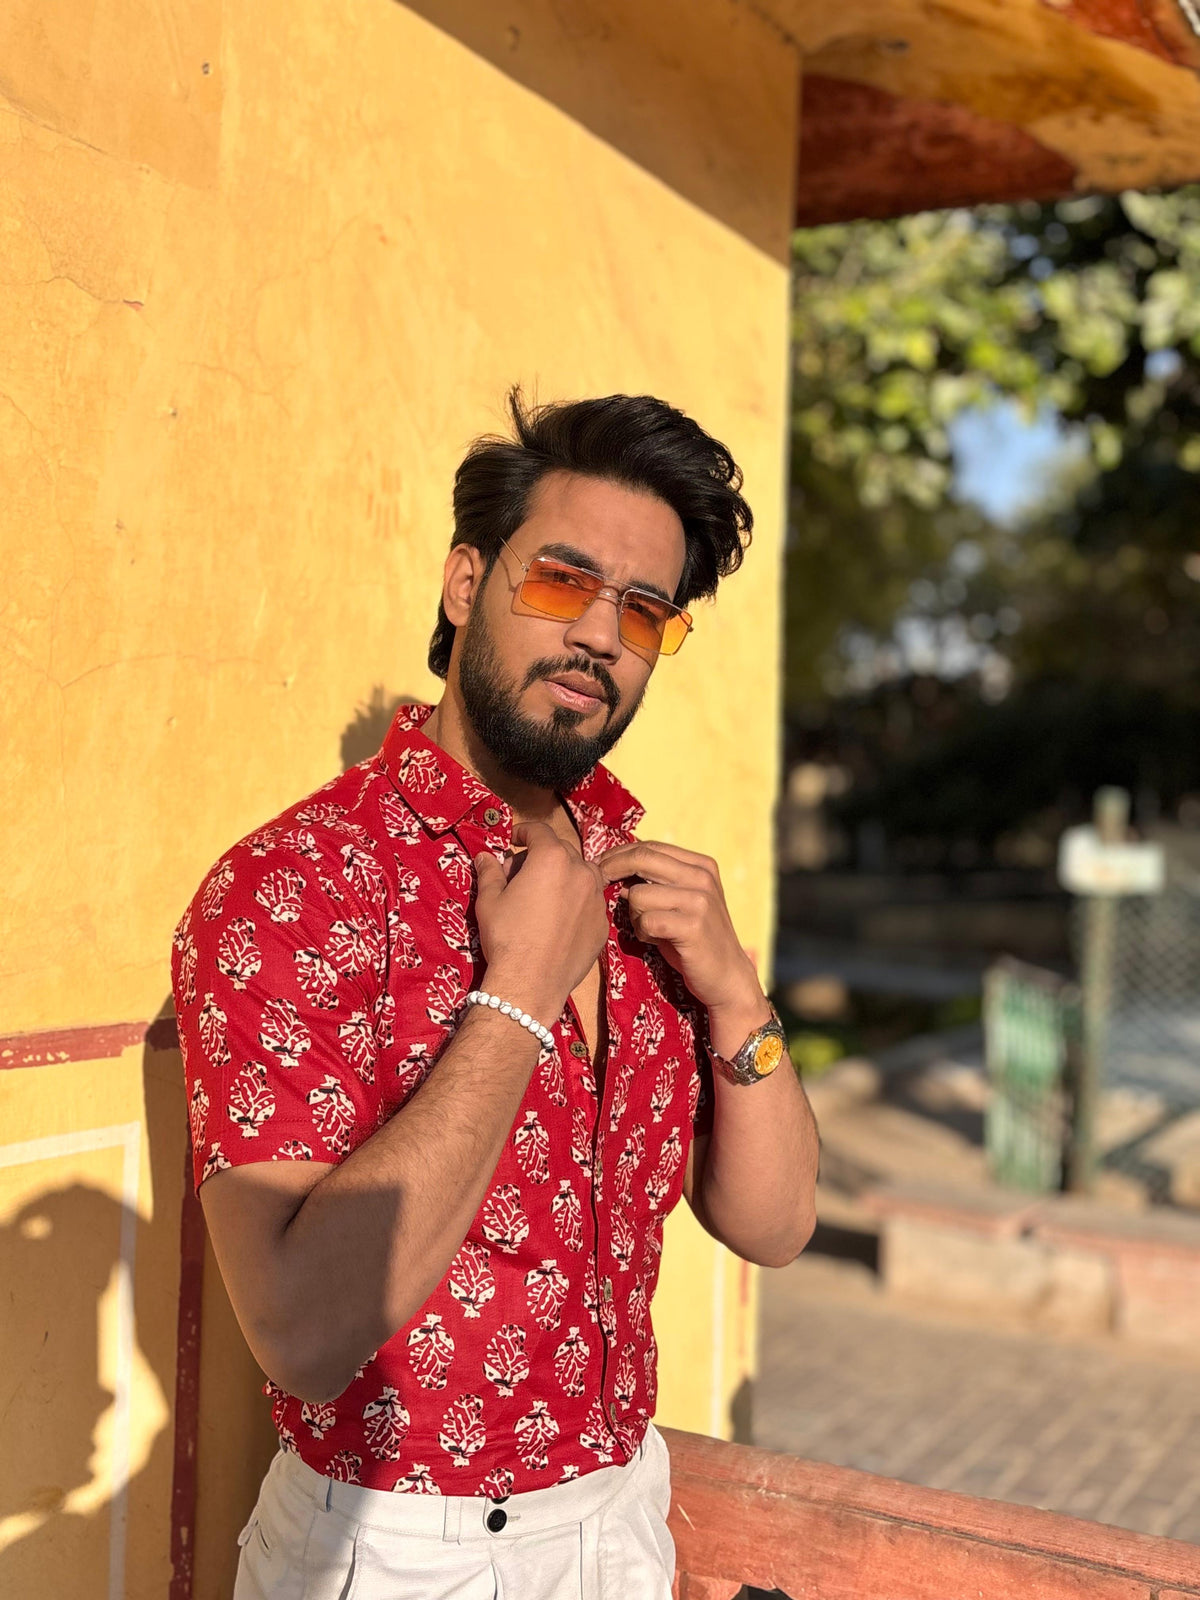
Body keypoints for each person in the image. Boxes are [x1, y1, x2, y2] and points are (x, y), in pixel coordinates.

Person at [173, 390, 819, 1599]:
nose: (602, 636)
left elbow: (775, 1226)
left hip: (624, 1517)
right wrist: (519, 993)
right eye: (565, 582)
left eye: (645, 610)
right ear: (467, 581)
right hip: (397, 1548)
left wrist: (738, 997)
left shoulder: (641, 889)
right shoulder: (297, 885)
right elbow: (301, 1334)